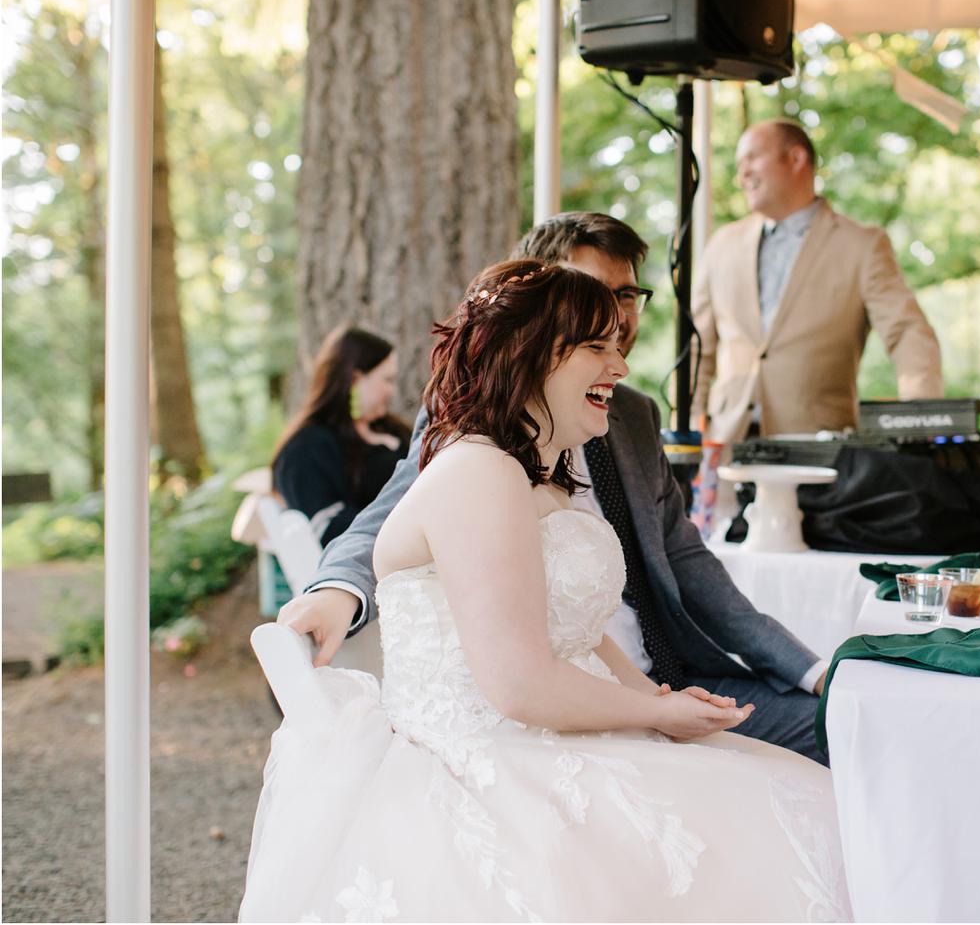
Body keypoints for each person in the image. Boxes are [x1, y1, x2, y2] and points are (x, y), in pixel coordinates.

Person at [240, 262, 850, 922]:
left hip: (564, 732)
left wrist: (661, 698)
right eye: (596, 347)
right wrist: (656, 717)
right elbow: (518, 685)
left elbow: (578, 633)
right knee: (786, 821)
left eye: (618, 345)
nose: (618, 365)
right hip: (494, 756)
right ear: (529, 355)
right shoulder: (476, 471)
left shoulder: (547, 479)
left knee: (794, 794)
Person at [280, 212, 830, 764]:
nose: (619, 337)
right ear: (535, 328)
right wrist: (336, 593)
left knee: (836, 730)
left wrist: (802, 670)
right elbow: (396, 513)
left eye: (626, 297)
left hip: (655, 676)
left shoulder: (620, 422)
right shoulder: (474, 454)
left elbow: (685, 559)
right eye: (594, 324)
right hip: (520, 742)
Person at [693, 118, 944, 444]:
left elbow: (907, 331)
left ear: (796, 159)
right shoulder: (720, 245)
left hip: (820, 447)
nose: (743, 175)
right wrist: (684, 431)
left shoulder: (863, 245)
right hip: (724, 446)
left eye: (753, 158)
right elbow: (697, 347)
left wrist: (921, 418)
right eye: (739, 165)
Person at [271, 326, 410, 546]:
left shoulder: (393, 429)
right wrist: (411, 525)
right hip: (378, 563)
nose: (392, 391)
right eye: (387, 380)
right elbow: (329, 528)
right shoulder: (306, 448)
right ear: (355, 379)